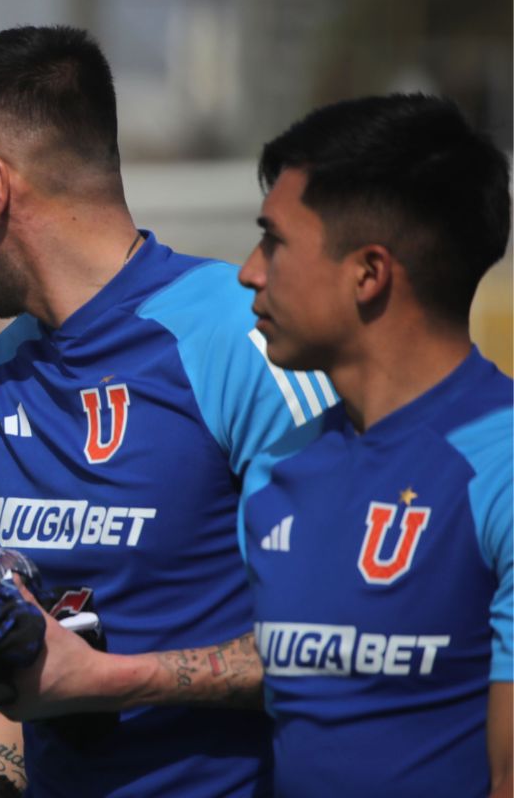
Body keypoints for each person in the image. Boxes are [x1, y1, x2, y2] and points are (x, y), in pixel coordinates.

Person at [0, 25, 336, 797]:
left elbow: (358, 639)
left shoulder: (239, 339)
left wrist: (113, 679)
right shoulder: (6, 371)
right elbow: (30, 655)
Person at [236, 94, 512, 797]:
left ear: (369, 273)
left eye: (274, 241)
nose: (249, 271)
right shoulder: (275, 472)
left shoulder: (502, 466)